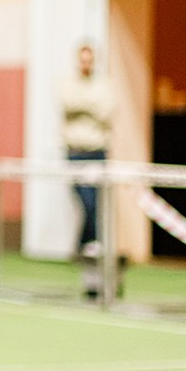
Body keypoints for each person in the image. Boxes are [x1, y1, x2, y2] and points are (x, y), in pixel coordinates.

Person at [61, 43, 114, 257]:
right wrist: (92, 105)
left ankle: (85, 246)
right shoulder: (67, 83)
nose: (86, 64)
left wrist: (83, 106)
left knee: (95, 202)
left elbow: (107, 111)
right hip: (75, 152)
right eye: (82, 60)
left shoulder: (104, 84)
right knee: (86, 201)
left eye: (89, 60)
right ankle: (89, 243)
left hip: (97, 151)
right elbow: (68, 103)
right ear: (77, 61)